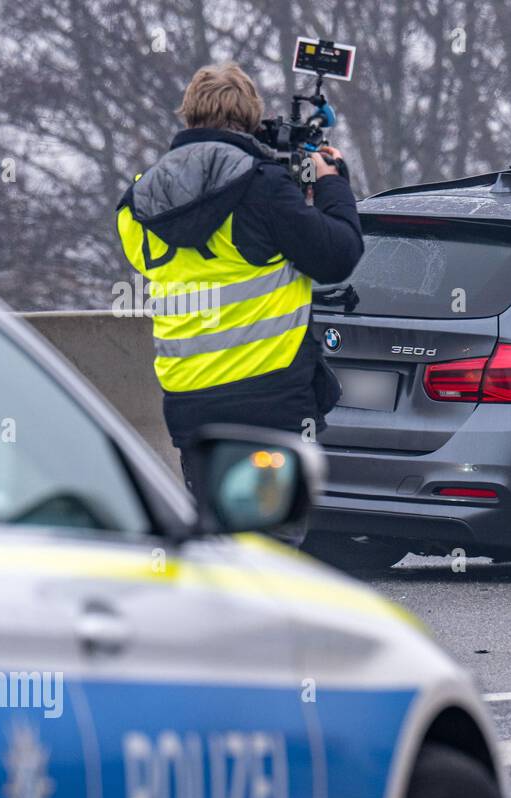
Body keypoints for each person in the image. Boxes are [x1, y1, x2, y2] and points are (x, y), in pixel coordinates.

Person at [115, 62, 363, 542]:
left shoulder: (139, 201)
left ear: (188, 116)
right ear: (251, 118)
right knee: (270, 544)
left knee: (216, 541)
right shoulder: (263, 187)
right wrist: (330, 183)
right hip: (267, 396)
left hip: (188, 399)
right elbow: (337, 256)